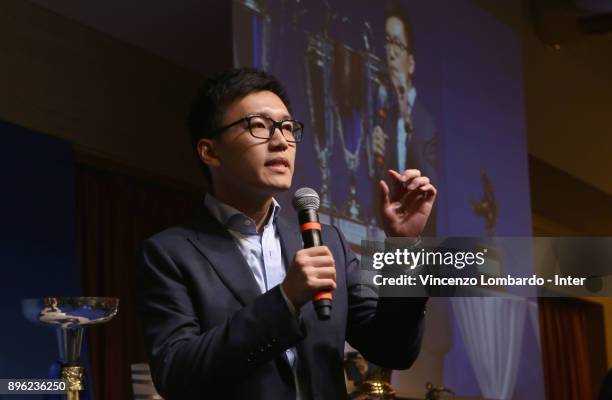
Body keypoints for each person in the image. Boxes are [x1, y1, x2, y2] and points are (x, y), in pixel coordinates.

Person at [138, 67, 437, 399]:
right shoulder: (171, 253)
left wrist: (404, 245)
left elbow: (394, 349)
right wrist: (285, 300)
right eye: (259, 126)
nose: (281, 141)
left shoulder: (330, 242)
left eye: (287, 127)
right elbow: (176, 373)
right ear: (210, 151)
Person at [371, 0, 439, 235]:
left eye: (397, 44)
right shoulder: (383, 117)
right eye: (388, 42)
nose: (390, 53)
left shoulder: (428, 123)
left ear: (411, 63)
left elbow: (436, 194)